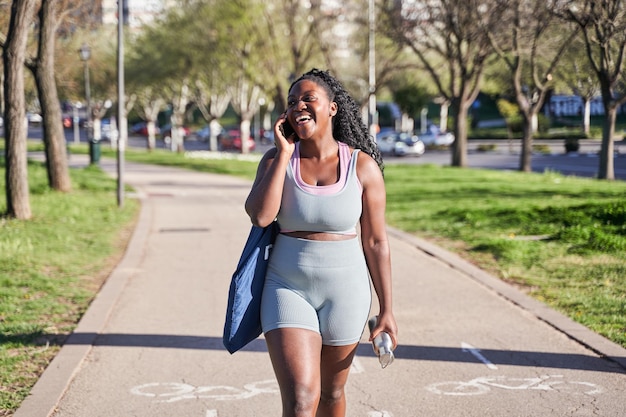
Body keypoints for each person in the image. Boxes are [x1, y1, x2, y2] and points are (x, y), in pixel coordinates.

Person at [245, 68, 398, 417]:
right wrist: (283, 154)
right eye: (292, 101)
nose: (298, 105)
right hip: (286, 287)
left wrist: (387, 309)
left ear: (332, 108)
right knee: (301, 399)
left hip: (346, 291)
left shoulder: (362, 167)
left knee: (331, 394)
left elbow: (376, 241)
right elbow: (260, 216)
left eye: (308, 98)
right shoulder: (275, 160)